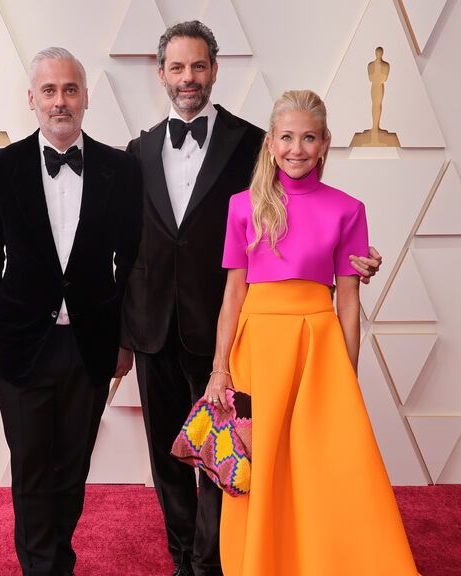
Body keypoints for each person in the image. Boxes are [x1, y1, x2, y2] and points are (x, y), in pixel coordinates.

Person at [121, 21, 382, 576]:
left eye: (198, 66)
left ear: (215, 71)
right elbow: (127, 241)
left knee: (231, 457)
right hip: (154, 326)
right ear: (161, 73)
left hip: (231, 331)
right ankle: (180, 561)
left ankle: (211, 561)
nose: (188, 77)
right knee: (169, 454)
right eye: (177, 66)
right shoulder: (137, 149)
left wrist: (353, 258)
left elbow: (297, 212)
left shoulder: (249, 143)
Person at [205, 89, 419, 574]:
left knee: (320, 469)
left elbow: (348, 302)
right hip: (255, 353)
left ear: (325, 144)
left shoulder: (349, 209)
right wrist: (220, 370)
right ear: (271, 143)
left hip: (318, 351)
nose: (296, 148)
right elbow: (232, 297)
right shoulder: (243, 206)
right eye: (286, 137)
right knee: (257, 468)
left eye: (308, 138)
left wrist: (347, 375)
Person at [0, 47, 141, 576]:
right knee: (30, 467)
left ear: (87, 98)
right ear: (31, 100)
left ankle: (56, 560)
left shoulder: (121, 168)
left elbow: (130, 260)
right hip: (21, 343)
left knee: (71, 469)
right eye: (49, 91)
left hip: (90, 344)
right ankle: (41, 568)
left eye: (70, 89)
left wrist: (124, 339)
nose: (60, 101)